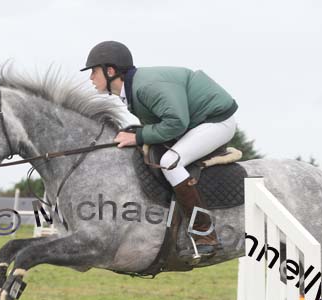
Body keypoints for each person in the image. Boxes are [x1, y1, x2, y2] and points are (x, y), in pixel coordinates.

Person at [81, 41, 238, 259]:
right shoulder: (133, 90)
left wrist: (138, 136)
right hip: (198, 122)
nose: (91, 78)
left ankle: (205, 235)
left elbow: (176, 123)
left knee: (169, 163)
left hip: (217, 122)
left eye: (94, 72)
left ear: (110, 71)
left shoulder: (144, 87)